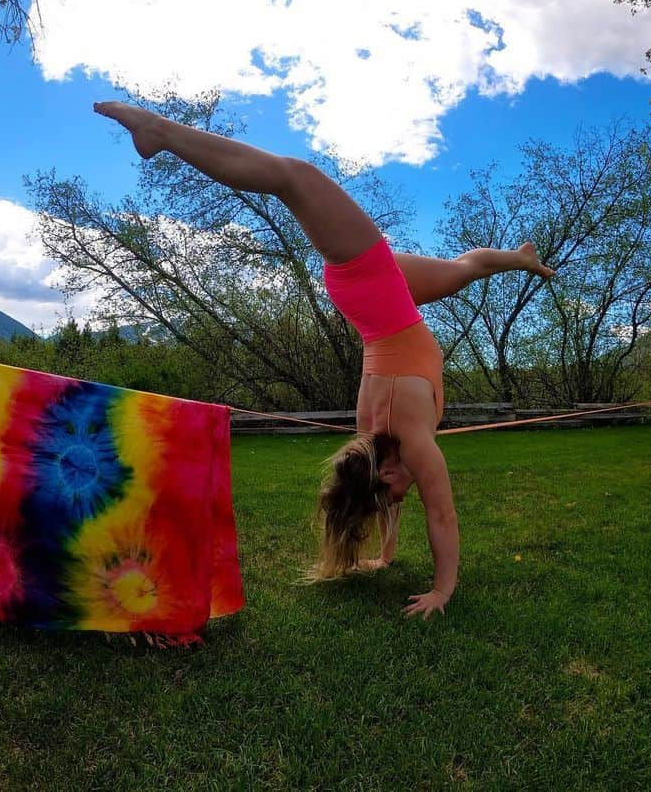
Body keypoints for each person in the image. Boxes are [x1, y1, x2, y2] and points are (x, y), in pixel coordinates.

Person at [93, 101, 555, 619]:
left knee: (292, 177)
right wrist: (383, 555)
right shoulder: (370, 440)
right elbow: (387, 494)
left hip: (368, 282)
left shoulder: (406, 440)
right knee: (462, 268)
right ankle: (521, 259)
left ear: (386, 470)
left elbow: (442, 516)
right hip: (372, 302)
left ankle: (159, 132)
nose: (403, 497)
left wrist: (443, 591)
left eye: (393, 495)